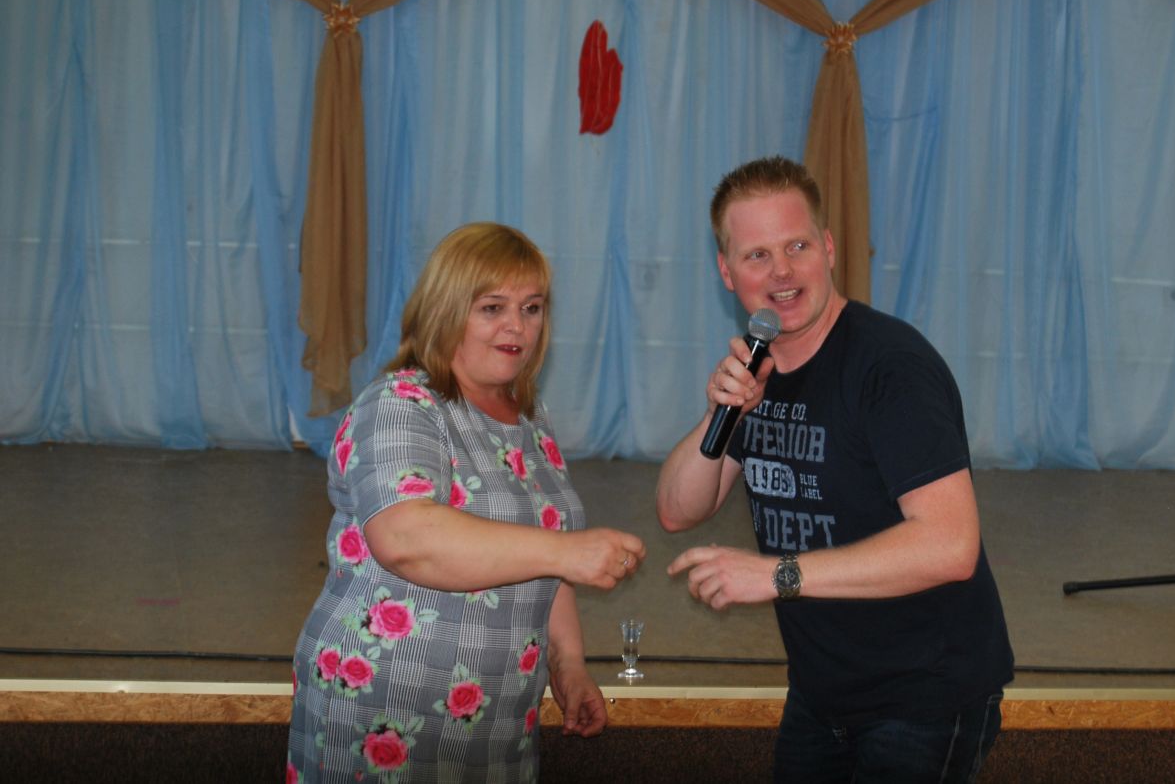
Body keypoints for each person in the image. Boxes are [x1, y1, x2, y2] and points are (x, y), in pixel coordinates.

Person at [657, 156, 1013, 783]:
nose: (782, 271)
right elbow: (677, 509)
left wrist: (776, 574)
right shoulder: (760, 370)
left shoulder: (891, 368)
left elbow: (951, 545)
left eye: (796, 246)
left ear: (827, 247)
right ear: (727, 271)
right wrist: (721, 413)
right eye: (757, 255)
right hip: (822, 693)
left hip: (925, 694)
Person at [288, 222, 645, 783]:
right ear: (446, 309)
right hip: (384, 710)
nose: (517, 326)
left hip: (496, 719)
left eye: (532, 308)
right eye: (492, 308)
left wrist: (568, 664)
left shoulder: (531, 419)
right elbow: (406, 539)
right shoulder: (401, 403)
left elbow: (543, 556)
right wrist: (568, 551)